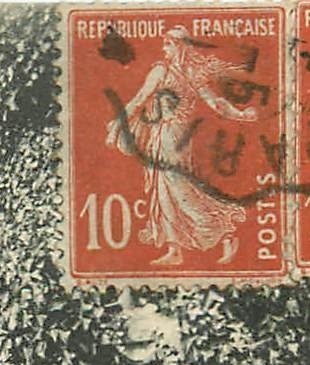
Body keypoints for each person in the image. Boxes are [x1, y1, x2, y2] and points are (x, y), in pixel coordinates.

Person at [106, 26, 260, 266]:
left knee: (183, 192)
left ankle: (225, 234)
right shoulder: (175, 72)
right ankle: (175, 249)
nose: (164, 49)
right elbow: (140, 100)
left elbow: (214, 103)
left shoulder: (176, 72)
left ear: (179, 46)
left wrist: (240, 114)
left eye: (167, 44)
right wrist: (242, 114)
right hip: (169, 137)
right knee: (166, 191)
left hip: (175, 138)